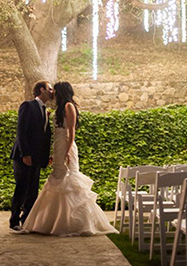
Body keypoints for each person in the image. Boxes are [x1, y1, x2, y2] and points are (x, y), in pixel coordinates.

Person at [20, 81, 118, 236]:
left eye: (55, 91)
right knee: (57, 179)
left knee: (68, 180)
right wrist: (55, 153)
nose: (53, 94)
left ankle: (73, 222)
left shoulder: (68, 106)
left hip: (66, 146)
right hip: (58, 146)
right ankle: (53, 220)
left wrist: (67, 151)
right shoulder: (60, 107)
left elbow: (71, 131)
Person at [9, 80, 54, 231]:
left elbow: (44, 136)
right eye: (49, 88)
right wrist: (25, 153)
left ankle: (26, 221)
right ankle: (14, 221)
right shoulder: (28, 106)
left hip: (37, 157)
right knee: (21, 188)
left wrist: (46, 156)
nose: (52, 91)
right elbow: (21, 131)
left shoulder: (45, 110)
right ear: (42, 90)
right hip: (24, 156)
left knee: (33, 190)